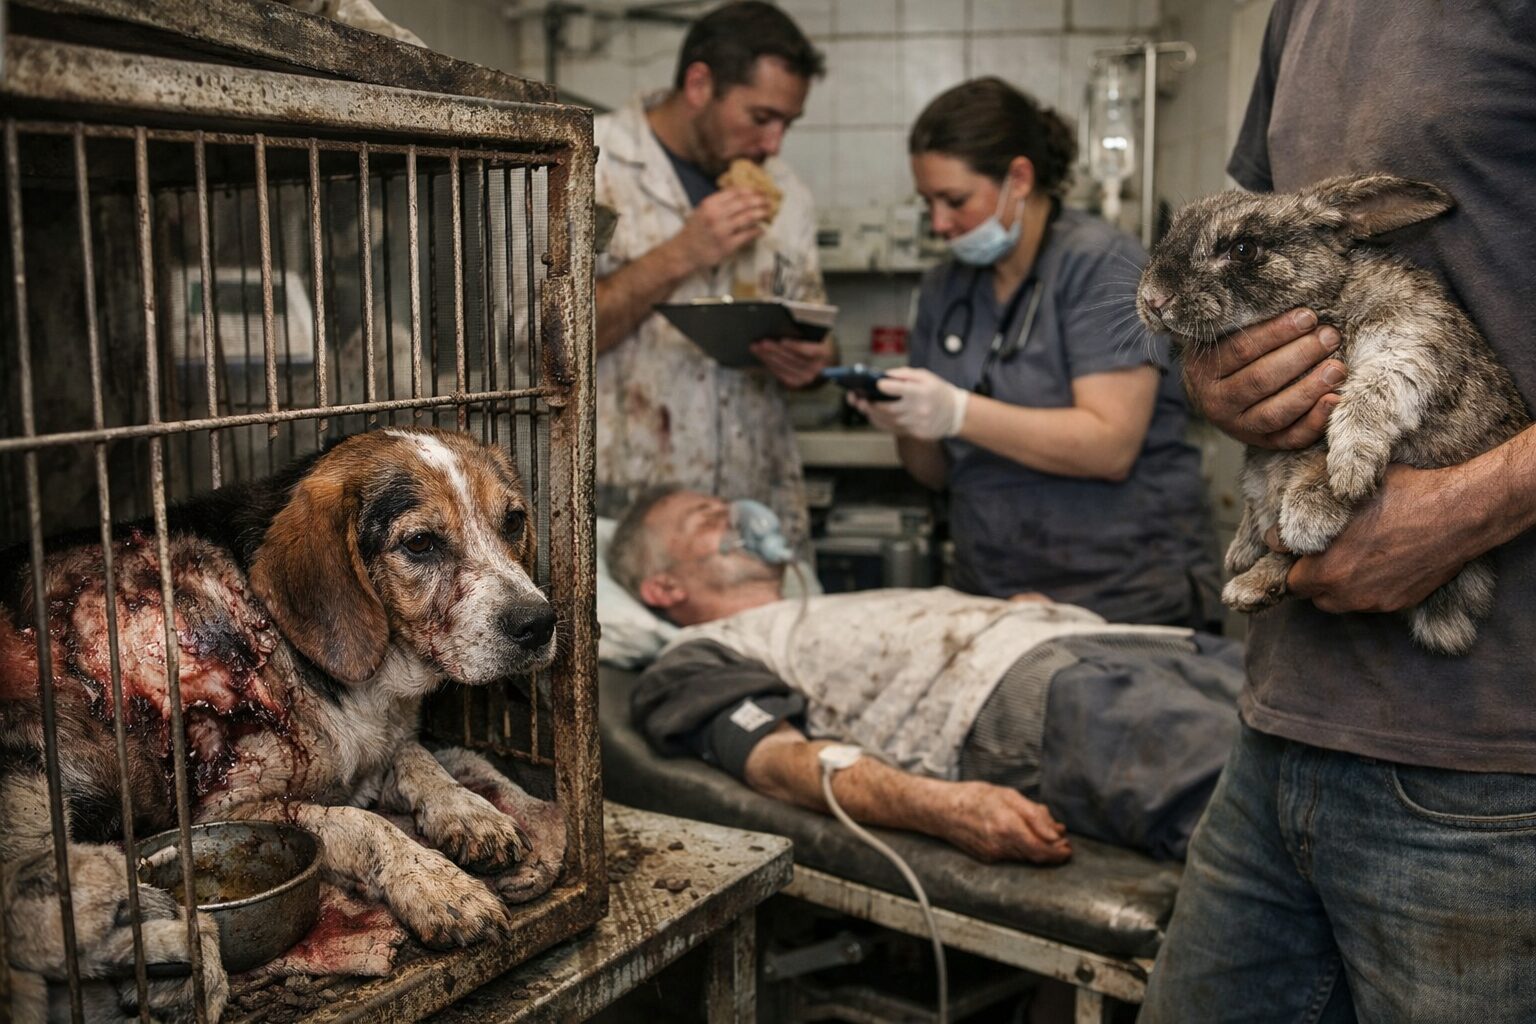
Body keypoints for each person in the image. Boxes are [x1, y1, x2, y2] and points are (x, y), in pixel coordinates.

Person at [1140, 3, 1536, 1020]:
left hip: (1492, 762)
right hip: (1282, 715)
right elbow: (1250, 249)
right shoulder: (1303, 10)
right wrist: (1215, 377)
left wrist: (1459, 511)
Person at [608, 487, 1245, 863]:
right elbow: (780, 762)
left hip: (1134, 645)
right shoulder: (696, 654)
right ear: (662, 586)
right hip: (1038, 697)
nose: (740, 516)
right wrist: (943, 808)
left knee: (1333, 728)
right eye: (709, 519)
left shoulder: (818, 609)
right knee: (1276, 818)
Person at [849, 77, 1221, 629]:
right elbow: (936, 475)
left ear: (1018, 179)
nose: (939, 223)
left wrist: (956, 412)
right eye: (927, 203)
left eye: (954, 201)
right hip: (991, 587)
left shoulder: (1103, 264)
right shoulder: (944, 289)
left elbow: (1109, 446)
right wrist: (906, 421)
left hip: (1121, 588)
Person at [592, 1, 834, 552]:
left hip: (755, 504)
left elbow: (816, 322)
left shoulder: (788, 193)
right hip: (626, 506)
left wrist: (814, 361)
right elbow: (540, 345)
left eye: (787, 124)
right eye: (761, 117)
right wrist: (683, 252)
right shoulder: (592, 163)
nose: (773, 144)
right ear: (699, 84)